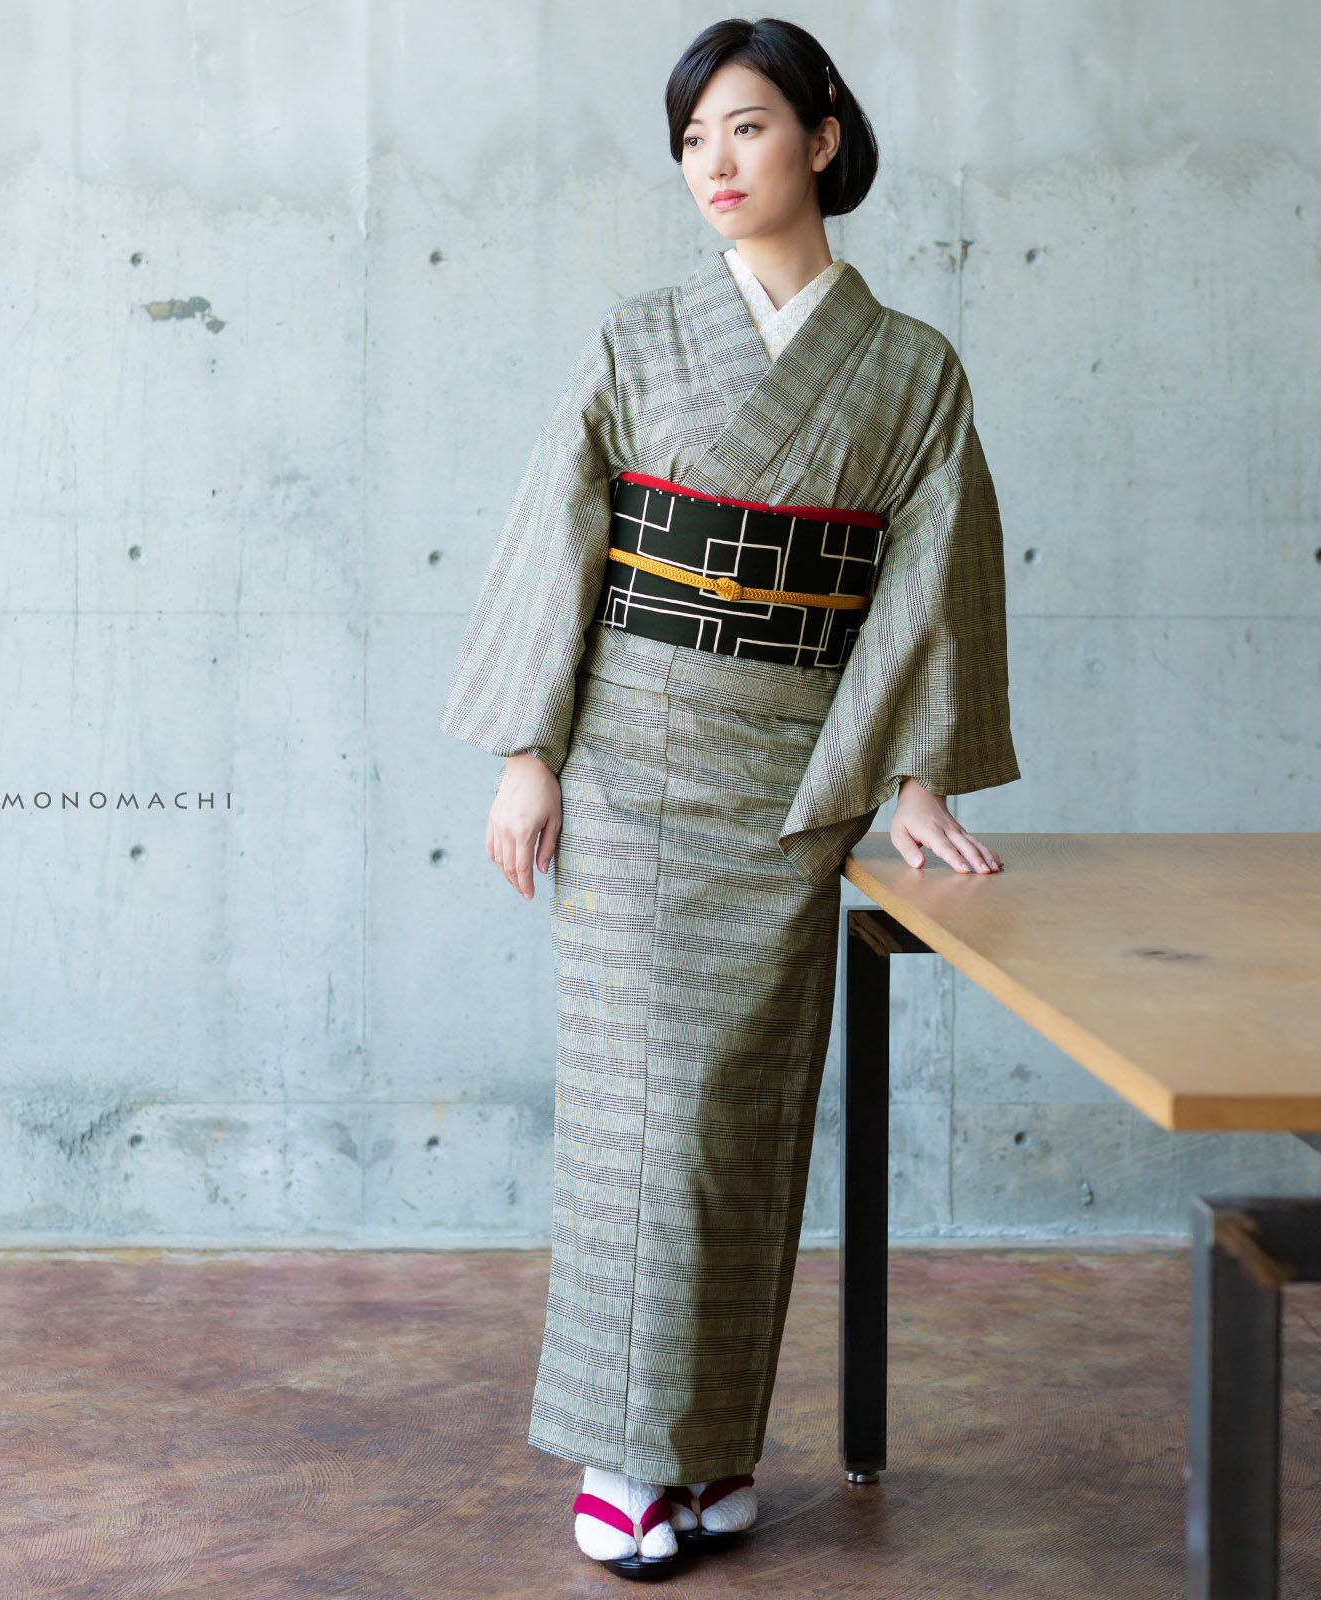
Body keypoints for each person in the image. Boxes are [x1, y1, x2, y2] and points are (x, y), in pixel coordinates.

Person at [439, 14, 1021, 1579]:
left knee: (747, 1124)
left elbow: (933, 580)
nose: (714, 161)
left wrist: (914, 778)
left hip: (787, 792)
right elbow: (556, 535)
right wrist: (526, 753)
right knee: (646, 1123)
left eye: (746, 126)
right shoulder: (640, 339)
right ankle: (627, 1458)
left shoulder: (911, 369)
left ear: (821, 137)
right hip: (632, 771)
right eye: (692, 138)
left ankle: (708, 1455)